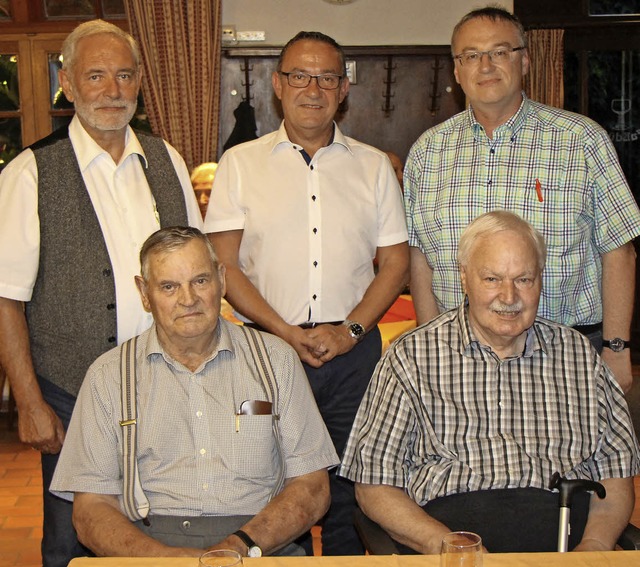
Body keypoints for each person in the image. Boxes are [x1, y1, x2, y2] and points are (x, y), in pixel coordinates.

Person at [0, 20, 203, 567]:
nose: (112, 90)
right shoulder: (29, 173)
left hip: (166, 383)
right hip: (72, 390)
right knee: (72, 540)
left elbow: (197, 273)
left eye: (123, 75)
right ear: (66, 82)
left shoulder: (169, 161)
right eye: (95, 76)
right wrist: (29, 402)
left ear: (139, 82)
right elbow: (6, 299)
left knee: (164, 526)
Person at [205, 31, 410, 555]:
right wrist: (284, 333)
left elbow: (395, 263)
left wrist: (350, 332)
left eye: (326, 77)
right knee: (267, 482)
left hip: (354, 352)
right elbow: (224, 264)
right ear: (278, 85)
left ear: (343, 89)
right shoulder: (240, 164)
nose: (312, 88)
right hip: (264, 351)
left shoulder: (373, 166)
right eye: (299, 75)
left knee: (350, 486)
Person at [340, 210, 640, 554]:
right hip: (450, 545)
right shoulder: (410, 358)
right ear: (465, 279)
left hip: (562, 544)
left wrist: (596, 546)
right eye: (492, 279)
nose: (509, 296)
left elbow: (615, 475)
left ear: (540, 278)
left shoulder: (580, 357)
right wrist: (444, 544)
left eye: (524, 279)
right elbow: (374, 485)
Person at [50, 226, 339, 558]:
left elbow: (313, 487)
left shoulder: (277, 361)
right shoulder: (108, 377)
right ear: (144, 293)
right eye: (169, 286)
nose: (188, 299)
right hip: (147, 547)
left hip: (260, 542)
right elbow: (90, 509)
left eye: (200, 281)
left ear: (221, 280)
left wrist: (237, 547)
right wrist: (165, 560)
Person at [404, 5, 640, 392]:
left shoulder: (580, 140)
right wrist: (432, 345)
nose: (486, 66)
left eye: (500, 52)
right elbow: (420, 256)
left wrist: (617, 348)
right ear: (457, 70)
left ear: (525, 60)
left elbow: (619, 250)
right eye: (471, 56)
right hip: (460, 356)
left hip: (568, 352)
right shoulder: (427, 152)